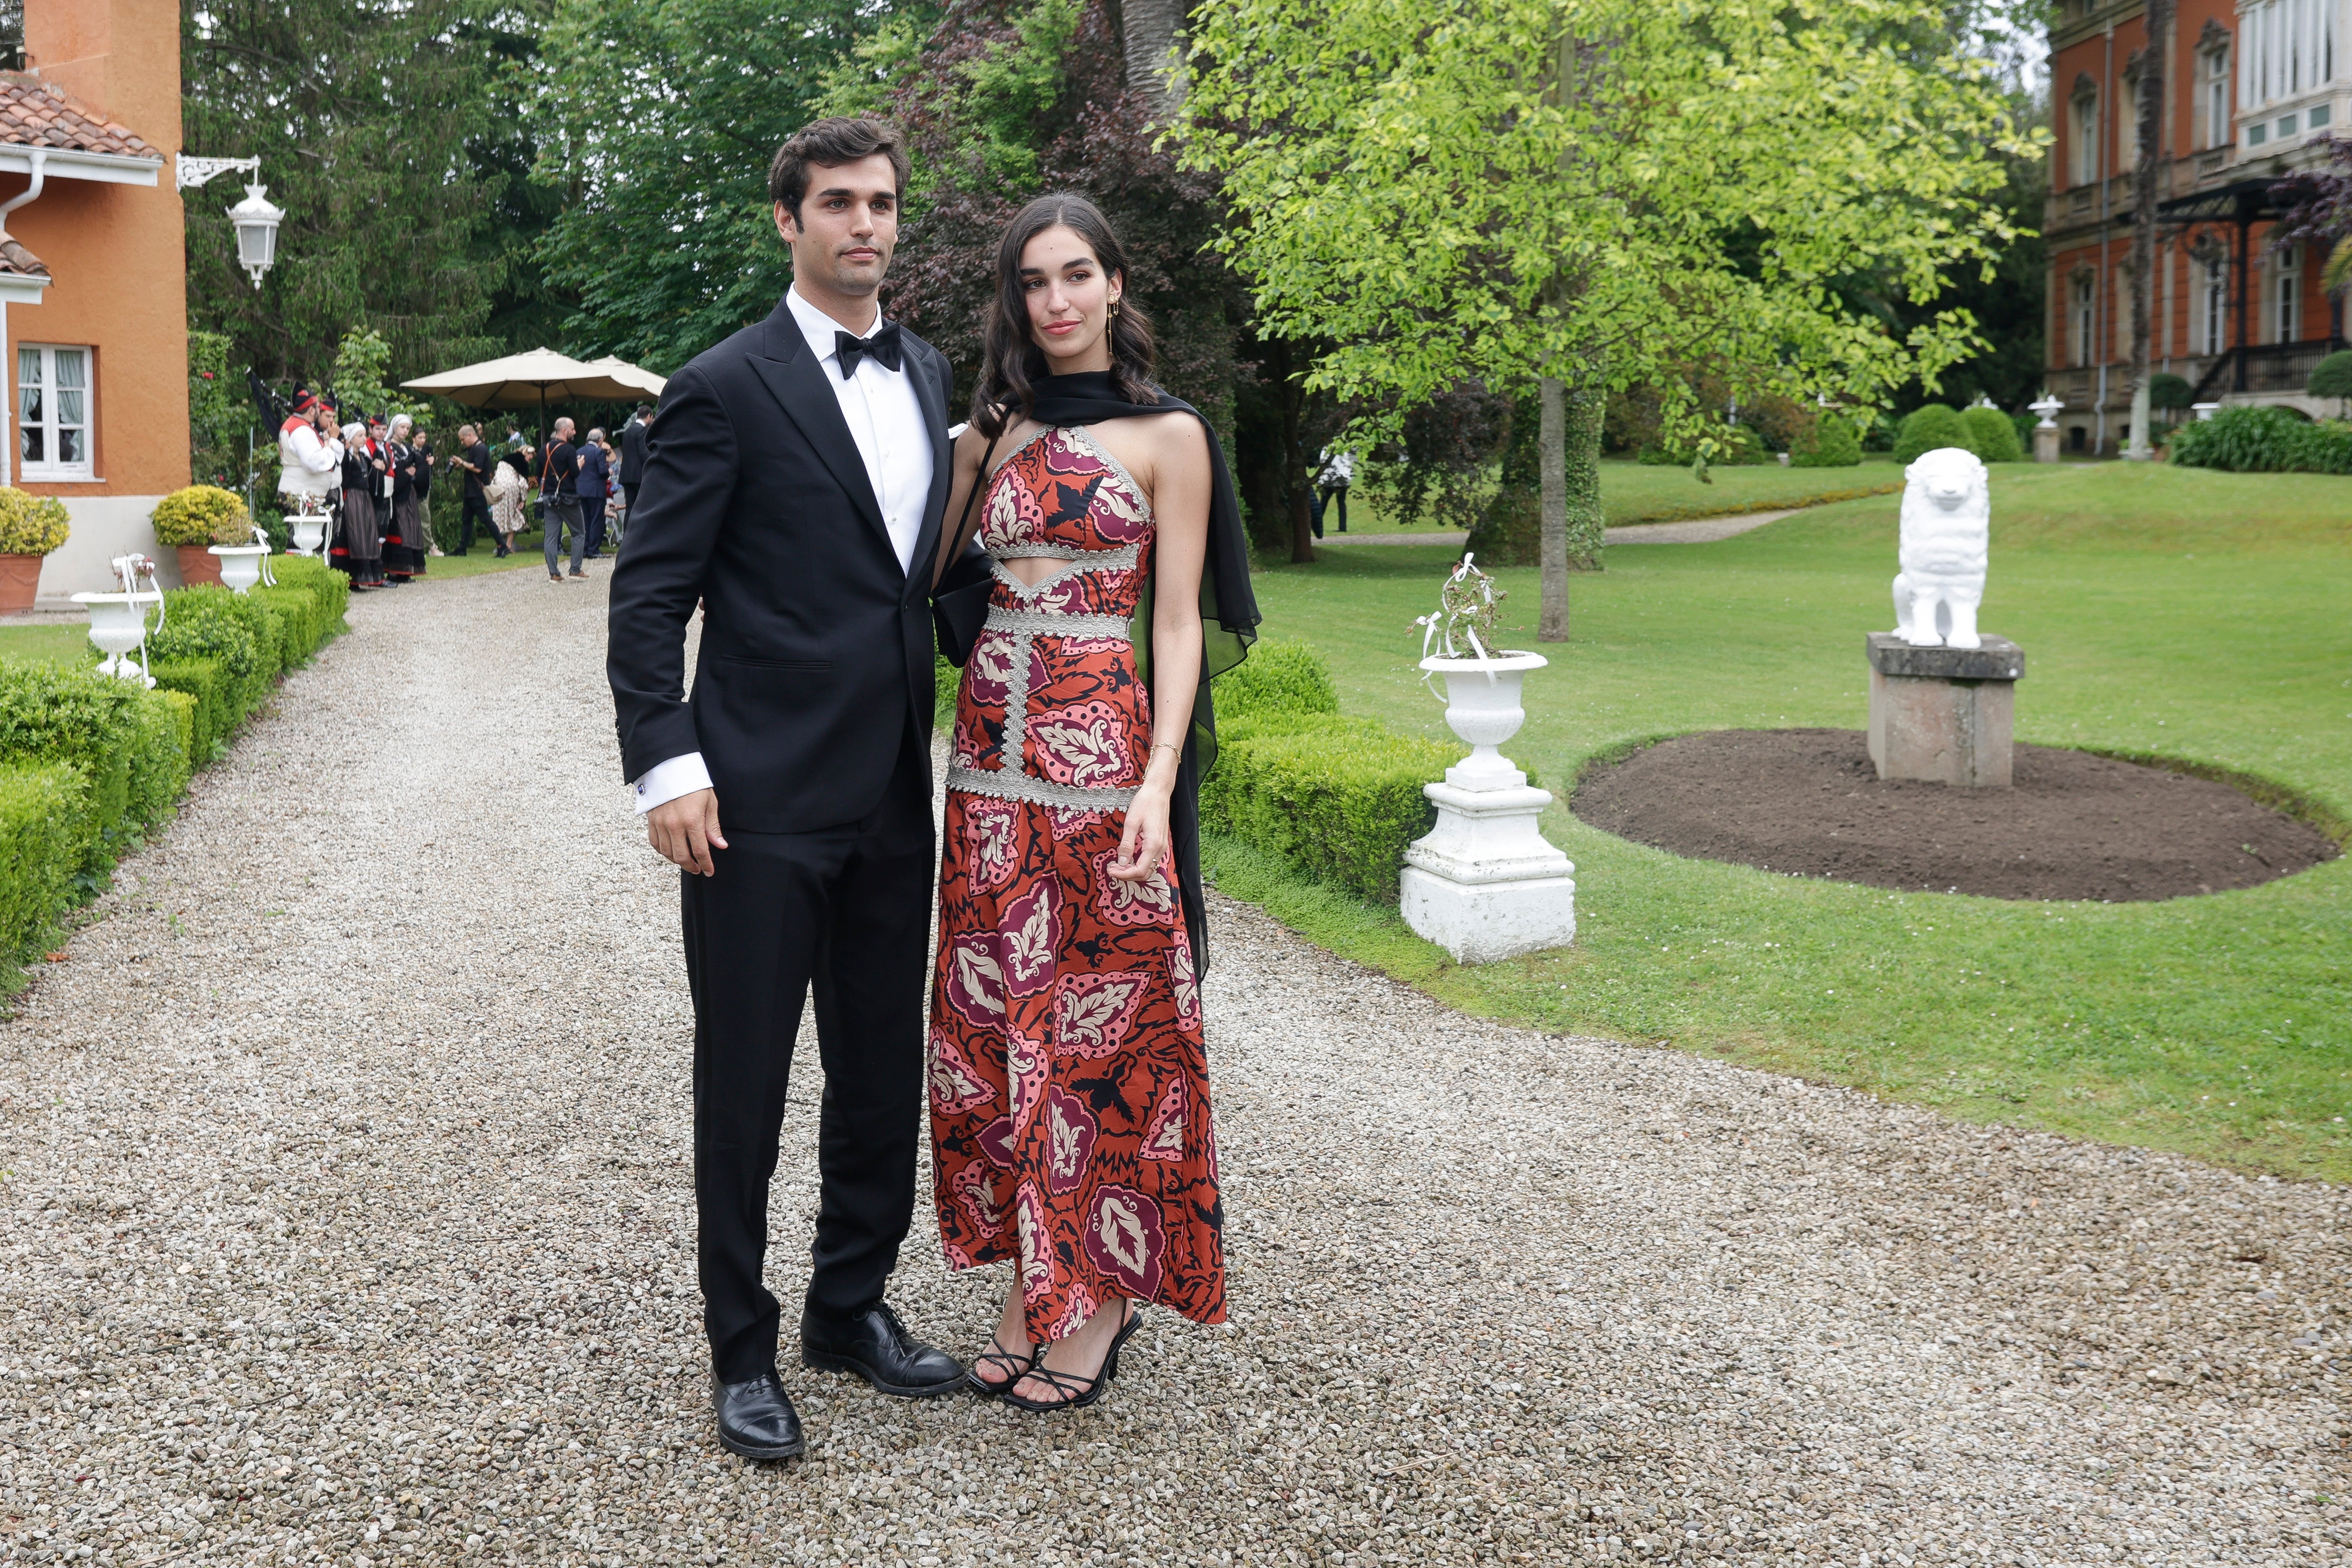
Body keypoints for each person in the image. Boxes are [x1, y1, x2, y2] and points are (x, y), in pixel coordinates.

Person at [606, 116, 964, 1463]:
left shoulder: (926, 368)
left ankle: (848, 1307)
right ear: (787, 221)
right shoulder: (720, 387)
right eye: (838, 204)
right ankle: (742, 1349)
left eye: (881, 203)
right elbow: (651, 600)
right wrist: (669, 767)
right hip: (751, 801)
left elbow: (921, 577)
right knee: (746, 1080)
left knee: (880, 1070)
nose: (865, 224)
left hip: (889, 794)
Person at [926, 193, 1257, 1412]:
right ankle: (1031, 1280)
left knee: (1106, 1038)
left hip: (1106, 770)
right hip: (981, 779)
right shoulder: (989, 437)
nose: (1054, 302)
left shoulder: (1169, 436)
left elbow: (1176, 622)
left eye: (1076, 276)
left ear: (1116, 285)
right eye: (1031, 283)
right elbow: (925, 584)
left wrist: (1160, 787)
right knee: (992, 1033)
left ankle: (1103, 1295)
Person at [332, 420, 386, 590]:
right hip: (352, 498)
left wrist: (379, 470)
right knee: (355, 535)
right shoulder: (346, 457)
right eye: (360, 436)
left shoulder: (363, 457)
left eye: (364, 435)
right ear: (351, 438)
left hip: (364, 499)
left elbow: (370, 480)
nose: (364, 439)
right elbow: (344, 479)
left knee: (366, 534)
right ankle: (352, 578)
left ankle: (365, 577)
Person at [276, 389, 343, 512]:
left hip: (300, 493)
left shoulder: (296, 424)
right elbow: (313, 462)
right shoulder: (302, 430)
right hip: (300, 494)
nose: (319, 410)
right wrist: (331, 444)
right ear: (311, 410)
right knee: (304, 532)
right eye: (318, 408)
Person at [383, 414, 429, 581]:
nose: (405, 431)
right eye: (403, 427)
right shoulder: (389, 447)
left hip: (409, 493)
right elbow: (391, 471)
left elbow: (417, 466)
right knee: (399, 528)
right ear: (395, 428)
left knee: (410, 529)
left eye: (408, 428)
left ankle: (406, 571)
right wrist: (405, 472)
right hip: (398, 494)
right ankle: (395, 570)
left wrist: (417, 470)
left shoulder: (407, 448)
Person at [542, 417, 585, 582]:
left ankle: (554, 573)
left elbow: (540, 472)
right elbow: (575, 474)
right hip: (567, 497)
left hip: (548, 496)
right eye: (573, 429)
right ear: (565, 431)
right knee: (579, 532)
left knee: (551, 537)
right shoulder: (569, 450)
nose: (575, 432)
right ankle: (575, 569)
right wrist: (580, 464)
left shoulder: (544, 449)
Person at [452, 424, 495, 556]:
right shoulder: (473, 449)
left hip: (477, 491)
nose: (462, 442)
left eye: (463, 439)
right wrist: (462, 465)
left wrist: (463, 462)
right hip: (470, 491)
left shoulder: (481, 449)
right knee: (467, 519)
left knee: (485, 519)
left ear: (470, 435)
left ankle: (503, 545)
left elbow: (478, 468)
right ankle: (462, 548)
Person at [487, 444, 529, 556]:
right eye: (530, 457)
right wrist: (524, 500)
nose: (530, 460)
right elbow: (523, 484)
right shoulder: (522, 464)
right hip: (511, 489)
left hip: (497, 489)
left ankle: (501, 546)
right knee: (513, 517)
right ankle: (509, 546)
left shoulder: (505, 460)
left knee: (497, 518)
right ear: (526, 454)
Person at [577, 426, 612, 558]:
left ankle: (584, 549)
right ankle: (593, 550)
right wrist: (608, 473)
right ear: (601, 440)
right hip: (596, 491)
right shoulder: (599, 452)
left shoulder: (579, 451)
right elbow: (603, 471)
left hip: (581, 490)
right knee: (597, 519)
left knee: (585, 521)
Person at [619, 403, 653, 516]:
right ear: (649, 416)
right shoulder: (643, 431)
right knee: (642, 508)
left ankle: (627, 533)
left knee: (630, 509)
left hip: (626, 476)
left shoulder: (627, 432)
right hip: (638, 476)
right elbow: (644, 453)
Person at [1311, 445, 1352, 537]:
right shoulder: (1344, 448)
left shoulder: (1327, 449)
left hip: (1329, 481)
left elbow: (1322, 461)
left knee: (1323, 503)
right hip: (1342, 480)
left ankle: (1316, 525)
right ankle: (1343, 527)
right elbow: (1351, 460)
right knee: (1341, 503)